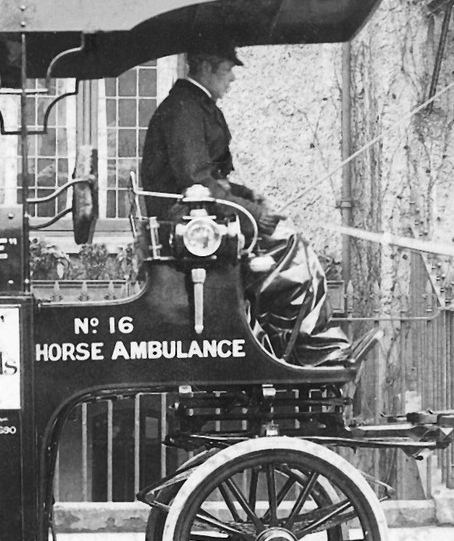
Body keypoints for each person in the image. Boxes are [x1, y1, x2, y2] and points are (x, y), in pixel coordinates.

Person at [138, 42, 349, 366]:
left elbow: (207, 178)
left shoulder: (194, 105)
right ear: (206, 67)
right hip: (187, 226)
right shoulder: (185, 109)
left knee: (287, 244)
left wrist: (248, 198)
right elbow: (197, 180)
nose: (232, 79)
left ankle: (282, 343)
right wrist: (251, 212)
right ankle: (308, 349)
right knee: (289, 247)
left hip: (197, 218)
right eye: (227, 70)